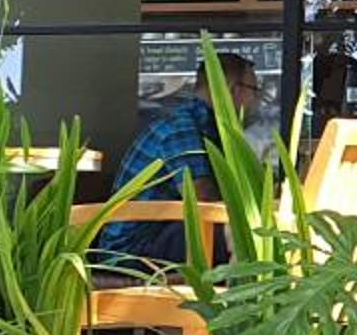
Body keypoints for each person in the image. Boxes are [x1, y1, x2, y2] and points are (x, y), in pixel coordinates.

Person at [94, 53, 262, 269]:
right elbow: (202, 201)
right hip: (132, 251)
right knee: (251, 234)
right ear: (234, 90)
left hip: (156, 236)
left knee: (246, 233)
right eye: (255, 90)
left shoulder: (207, 129)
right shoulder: (181, 128)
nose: (258, 101)